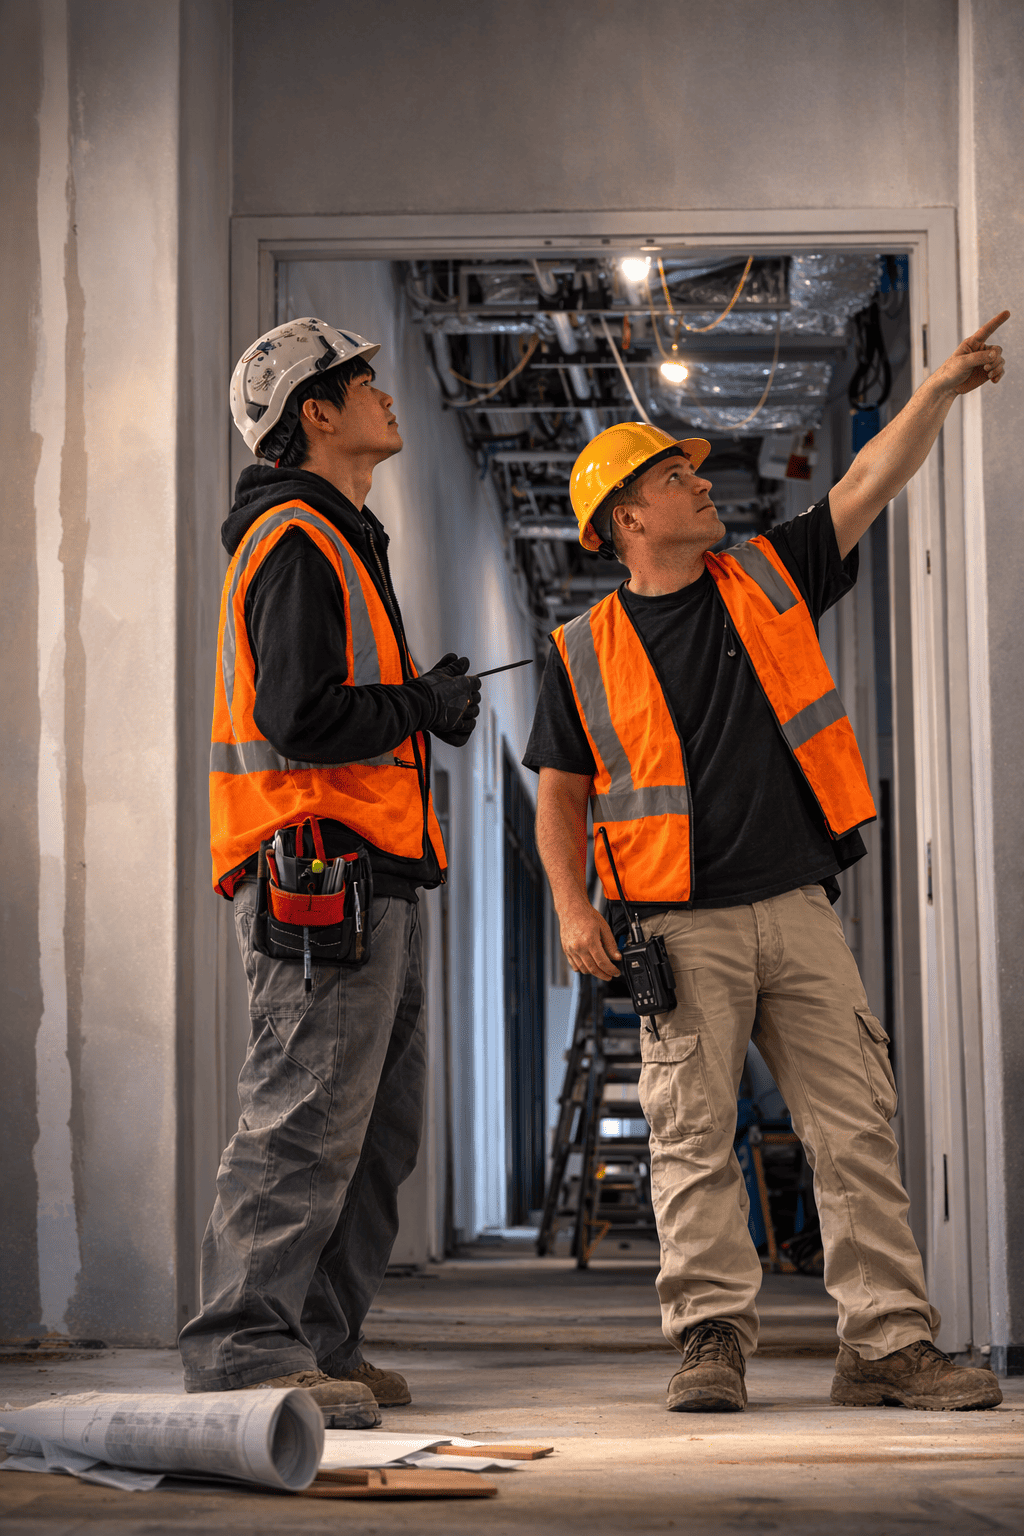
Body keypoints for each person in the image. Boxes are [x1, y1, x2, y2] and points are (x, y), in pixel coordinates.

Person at [524, 311, 1010, 1414]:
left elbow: (867, 481)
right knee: (692, 1137)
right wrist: (572, 909)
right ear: (624, 519)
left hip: (795, 907)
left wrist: (933, 391)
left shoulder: (766, 576)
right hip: (674, 923)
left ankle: (885, 1342)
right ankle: (709, 1340)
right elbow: (559, 795)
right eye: (673, 477)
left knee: (855, 1126)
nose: (701, 484)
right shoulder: (580, 652)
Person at [178, 318, 480, 1425]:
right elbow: (300, 717)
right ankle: (244, 1349)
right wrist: (421, 705)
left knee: (375, 1132)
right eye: (363, 383)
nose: (386, 399)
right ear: (316, 412)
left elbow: (336, 702)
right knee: (305, 1116)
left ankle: (321, 1344)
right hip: (319, 870)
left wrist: (416, 703)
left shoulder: (341, 535)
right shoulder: (298, 535)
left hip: (371, 872)